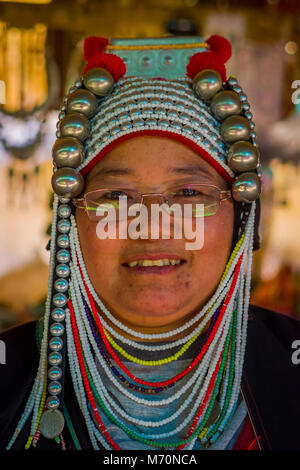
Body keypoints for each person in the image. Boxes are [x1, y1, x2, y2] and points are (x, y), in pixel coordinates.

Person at [1, 34, 300, 451]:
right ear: (70, 221)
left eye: (189, 195)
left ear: (240, 217)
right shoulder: (7, 376)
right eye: (116, 197)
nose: (155, 227)